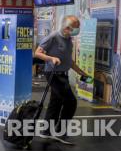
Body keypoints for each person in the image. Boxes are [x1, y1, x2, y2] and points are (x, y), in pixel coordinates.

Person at [34, 15, 91, 144]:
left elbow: (69, 61)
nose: (77, 30)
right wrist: (51, 59)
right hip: (53, 74)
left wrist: (81, 72)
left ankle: (46, 131)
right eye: (75, 28)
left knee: (56, 102)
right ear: (66, 28)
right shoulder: (53, 37)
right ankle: (61, 132)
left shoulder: (69, 39)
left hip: (63, 74)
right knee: (71, 102)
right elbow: (37, 53)